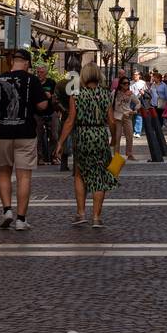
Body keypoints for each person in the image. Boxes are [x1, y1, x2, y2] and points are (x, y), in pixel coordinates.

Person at [0, 48, 50, 231]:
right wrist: (48, 99)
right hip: (25, 133)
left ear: (13, 62)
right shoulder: (32, 80)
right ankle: (21, 219)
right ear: (27, 63)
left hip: (3, 132)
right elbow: (42, 105)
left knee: (3, 173)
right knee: (24, 176)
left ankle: (6, 210)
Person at [54, 61, 118, 227]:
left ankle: (81, 213)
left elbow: (70, 120)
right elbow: (111, 120)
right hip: (99, 136)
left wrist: (60, 142)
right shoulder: (105, 94)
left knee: (79, 174)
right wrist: (114, 139)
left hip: (82, 136)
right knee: (100, 176)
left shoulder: (76, 94)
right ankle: (96, 217)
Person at [34, 64, 57, 164]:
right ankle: (40, 158)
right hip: (38, 113)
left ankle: (54, 157)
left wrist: (51, 96)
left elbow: (56, 97)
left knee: (54, 135)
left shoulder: (51, 82)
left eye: (41, 72)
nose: (39, 74)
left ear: (46, 73)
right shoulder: (34, 83)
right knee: (38, 136)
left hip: (51, 112)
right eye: (38, 72)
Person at [111, 74, 137, 160]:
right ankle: (116, 155)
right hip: (118, 117)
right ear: (120, 84)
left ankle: (129, 153)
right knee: (117, 137)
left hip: (127, 116)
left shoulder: (130, 94)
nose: (127, 85)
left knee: (129, 135)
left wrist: (136, 109)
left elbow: (138, 102)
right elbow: (110, 105)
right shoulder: (115, 93)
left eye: (128, 83)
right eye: (124, 83)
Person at [130, 68, 146, 138]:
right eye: (134, 75)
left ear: (139, 75)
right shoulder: (130, 83)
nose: (135, 76)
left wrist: (143, 93)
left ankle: (138, 131)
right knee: (132, 116)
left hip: (139, 100)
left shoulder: (143, 83)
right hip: (131, 101)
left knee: (139, 116)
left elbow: (146, 92)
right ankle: (133, 130)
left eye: (136, 75)